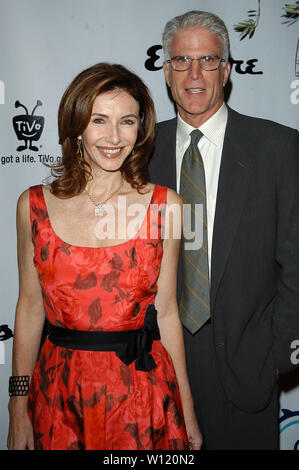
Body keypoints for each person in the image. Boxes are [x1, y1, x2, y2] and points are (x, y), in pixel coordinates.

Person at [7, 62, 202, 450]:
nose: (114, 137)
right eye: (99, 120)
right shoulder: (32, 206)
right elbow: (30, 309)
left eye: (127, 121)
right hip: (59, 400)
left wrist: (188, 408)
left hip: (141, 398)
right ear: (76, 125)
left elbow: (166, 314)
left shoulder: (167, 207)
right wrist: (16, 405)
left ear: (140, 129)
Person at [148, 10, 299, 450]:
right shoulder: (139, 152)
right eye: (181, 61)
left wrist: (277, 358)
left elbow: (296, 259)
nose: (194, 74)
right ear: (167, 71)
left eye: (208, 60)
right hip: (157, 373)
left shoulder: (278, 148)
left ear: (227, 70)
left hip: (248, 367)